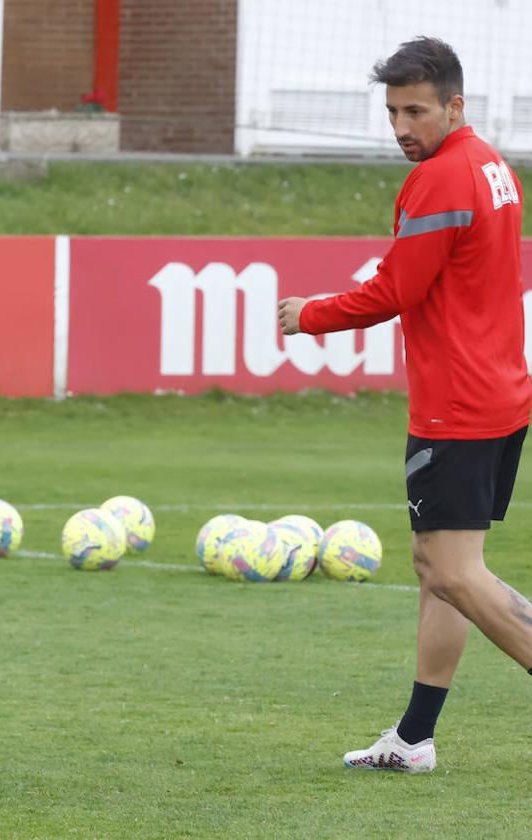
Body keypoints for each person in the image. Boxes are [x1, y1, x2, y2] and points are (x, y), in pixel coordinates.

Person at [278, 37, 532, 773]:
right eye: (392, 112)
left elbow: (397, 290)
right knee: (437, 566)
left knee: (454, 570)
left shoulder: (442, 178)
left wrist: (312, 314)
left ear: (456, 105)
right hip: (497, 391)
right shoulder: (490, 165)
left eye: (416, 111)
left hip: (458, 402)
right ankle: (414, 738)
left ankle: (417, 736)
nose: (401, 128)